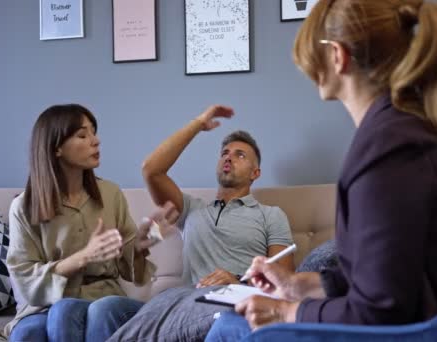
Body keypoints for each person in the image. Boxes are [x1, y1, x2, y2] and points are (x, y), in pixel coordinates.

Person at [205, 0, 437, 340]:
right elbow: (385, 277)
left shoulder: (389, 149)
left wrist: (284, 311)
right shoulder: (405, 133)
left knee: (228, 328)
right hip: (424, 321)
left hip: (419, 332)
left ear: (338, 56)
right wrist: (297, 286)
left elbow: (380, 309)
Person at [106, 108, 295, 341]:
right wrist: (197, 124)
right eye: (225, 153)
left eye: (240, 155)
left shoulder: (270, 215)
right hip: (182, 300)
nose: (229, 157)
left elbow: (282, 281)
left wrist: (238, 283)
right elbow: (152, 170)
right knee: (105, 309)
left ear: (255, 173)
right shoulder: (191, 209)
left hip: (230, 300)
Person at [4, 104, 178, 342]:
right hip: (43, 306)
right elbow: (24, 277)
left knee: (82, 310)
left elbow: (129, 265)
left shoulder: (111, 194)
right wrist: (83, 257)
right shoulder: (23, 207)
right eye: (83, 135)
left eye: (94, 133)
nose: (96, 141)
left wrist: (140, 245)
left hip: (102, 300)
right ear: (56, 148)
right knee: (30, 332)